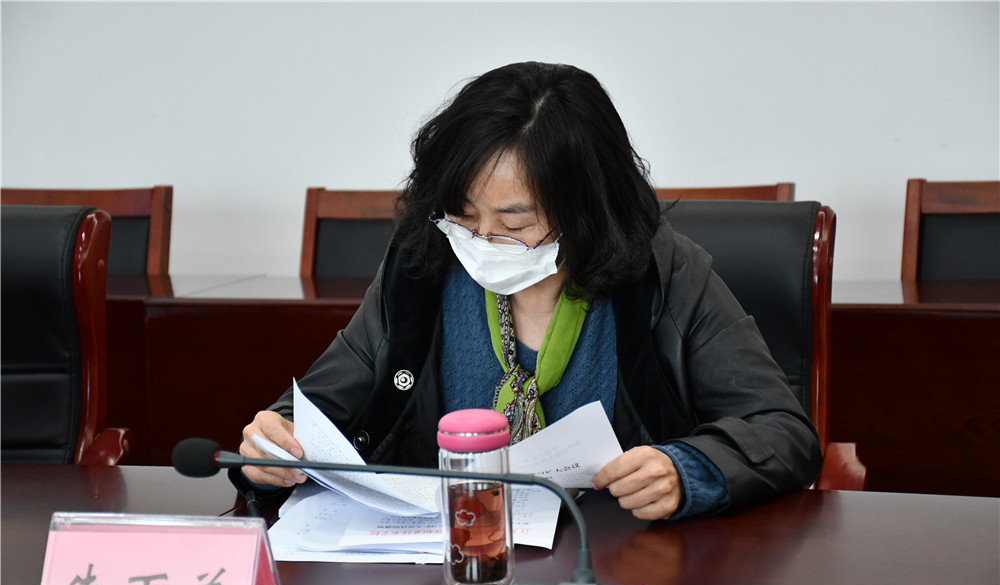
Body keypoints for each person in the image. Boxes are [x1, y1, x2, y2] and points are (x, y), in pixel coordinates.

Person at [235, 61, 822, 520]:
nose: (482, 239)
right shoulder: (420, 269)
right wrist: (273, 445)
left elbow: (784, 432)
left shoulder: (665, 275)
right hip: (452, 561)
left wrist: (685, 470)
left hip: (615, 563)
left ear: (587, 210)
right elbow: (316, 412)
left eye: (515, 223)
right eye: (464, 215)